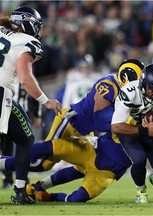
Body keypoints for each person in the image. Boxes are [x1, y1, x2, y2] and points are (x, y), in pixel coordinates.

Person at [0, 6, 62, 204]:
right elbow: (26, 78)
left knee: (25, 137)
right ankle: (19, 191)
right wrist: (46, 101)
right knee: (24, 140)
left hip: (6, 95)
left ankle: (19, 189)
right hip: (1, 92)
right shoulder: (27, 41)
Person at [41, 59, 145, 170]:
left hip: (88, 126)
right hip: (72, 119)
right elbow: (101, 116)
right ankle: (24, 168)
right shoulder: (108, 84)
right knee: (45, 160)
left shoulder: (119, 87)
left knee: (84, 164)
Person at [111, 64, 153, 204]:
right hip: (128, 128)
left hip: (149, 127)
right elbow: (116, 127)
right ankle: (141, 189)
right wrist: (145, 130)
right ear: (143, 85)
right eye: (152, 90)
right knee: (139, 159)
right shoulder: (130, 92)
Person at [0, 132, 131, 202]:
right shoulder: (130, 106)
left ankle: (44, 194)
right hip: (93, 149)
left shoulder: (150, 137)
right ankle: (3, 163)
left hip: (107, 172)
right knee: (48, 152)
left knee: (77, 198)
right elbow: (106, 117)